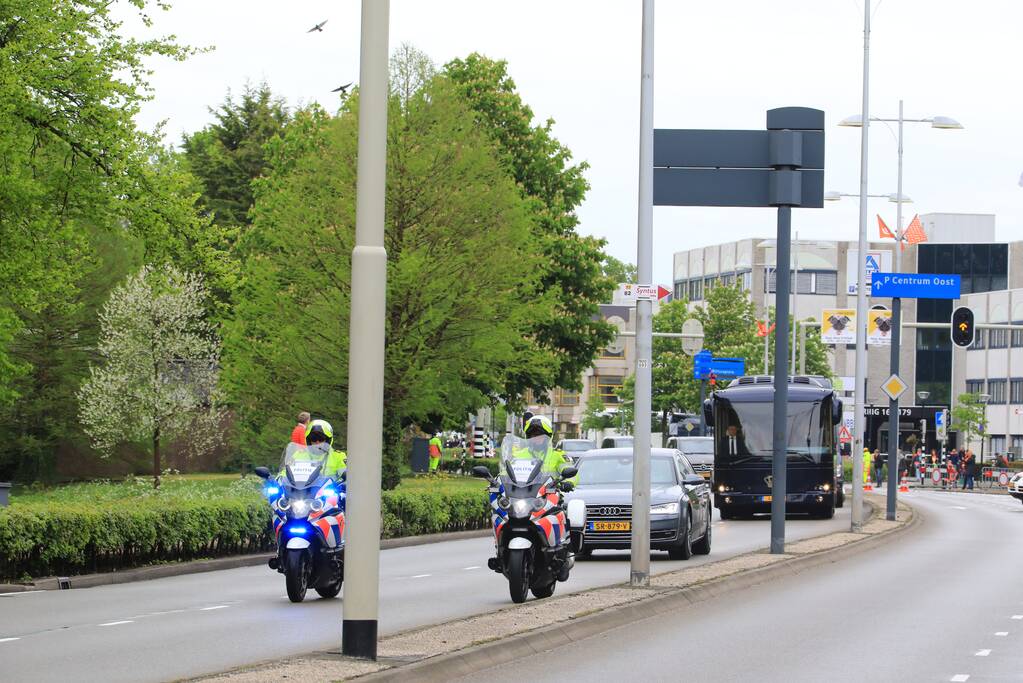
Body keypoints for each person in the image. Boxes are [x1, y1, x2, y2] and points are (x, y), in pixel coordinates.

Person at [282, 419, 347, 479]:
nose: (317, 442)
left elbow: (346, 475)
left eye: (321, 439)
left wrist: (343, 484)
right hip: (300, 490)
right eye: (313, 438)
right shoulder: (299, 454)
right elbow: (286, 472)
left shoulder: (338, 456)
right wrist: (280, 478)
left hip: (328, 490)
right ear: (309, 440)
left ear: (328, 440)